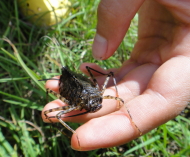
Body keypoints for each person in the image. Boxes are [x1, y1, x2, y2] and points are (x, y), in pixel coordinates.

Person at [42, 0, 190, 151]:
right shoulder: (83, 100)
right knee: (53, 113)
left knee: (58, 110)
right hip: (74, 92)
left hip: (90, 91)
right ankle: (74, 136)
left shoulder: (100, 95)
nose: (97, 106)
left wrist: (130, 118)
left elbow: (117, 93)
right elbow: (61, 115)